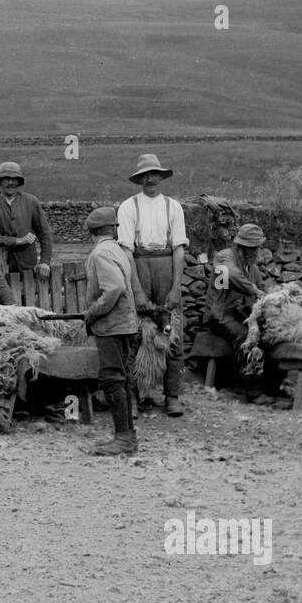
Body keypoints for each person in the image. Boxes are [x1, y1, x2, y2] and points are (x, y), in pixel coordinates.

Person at [117, 153, 188, 417]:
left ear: (161, 176)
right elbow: (125, 251)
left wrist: (175, 286)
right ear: (139, 179)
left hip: (166, 268)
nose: (150, 179)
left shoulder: (173, 207)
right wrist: (136, 290)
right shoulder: (128, 207)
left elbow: (179, 249)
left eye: (154, 174)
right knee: (134, 335)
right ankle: (133, 397)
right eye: (145, 175)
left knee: (173, 334)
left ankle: (172, 395)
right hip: (139, 266)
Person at [82, 206, 143, 455]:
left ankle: (123, 439)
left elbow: (114, 288)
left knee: (112, 379)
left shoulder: (100, 253)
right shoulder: (117, 250)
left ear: (91, 231)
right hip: (125, 323)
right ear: (113, 229)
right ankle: (128, 435)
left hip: (111, 326)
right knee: (121, 378)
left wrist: (93, 312)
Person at [204, 223, 270, 403]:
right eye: (252, 248)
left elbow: (261, 294)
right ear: (241, 246)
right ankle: (253, 392)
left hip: (242, 314)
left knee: (266, 334)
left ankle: (270, 385)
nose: (255, 252)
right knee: (245, 338)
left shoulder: (253, 269)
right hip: (220, 315)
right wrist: (254, 291)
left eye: (256, 248)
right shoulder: (223, 258)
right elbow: (230, 277)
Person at [0, 162, 53, 280]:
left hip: (27, 266)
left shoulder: (31, 201)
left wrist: (44, 262)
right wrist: (17, 241)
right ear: (0, 181)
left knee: (27, 296)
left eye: (15, 179)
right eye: (6, 179)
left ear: (19, 181)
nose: (11, 183)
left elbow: (45, 234)